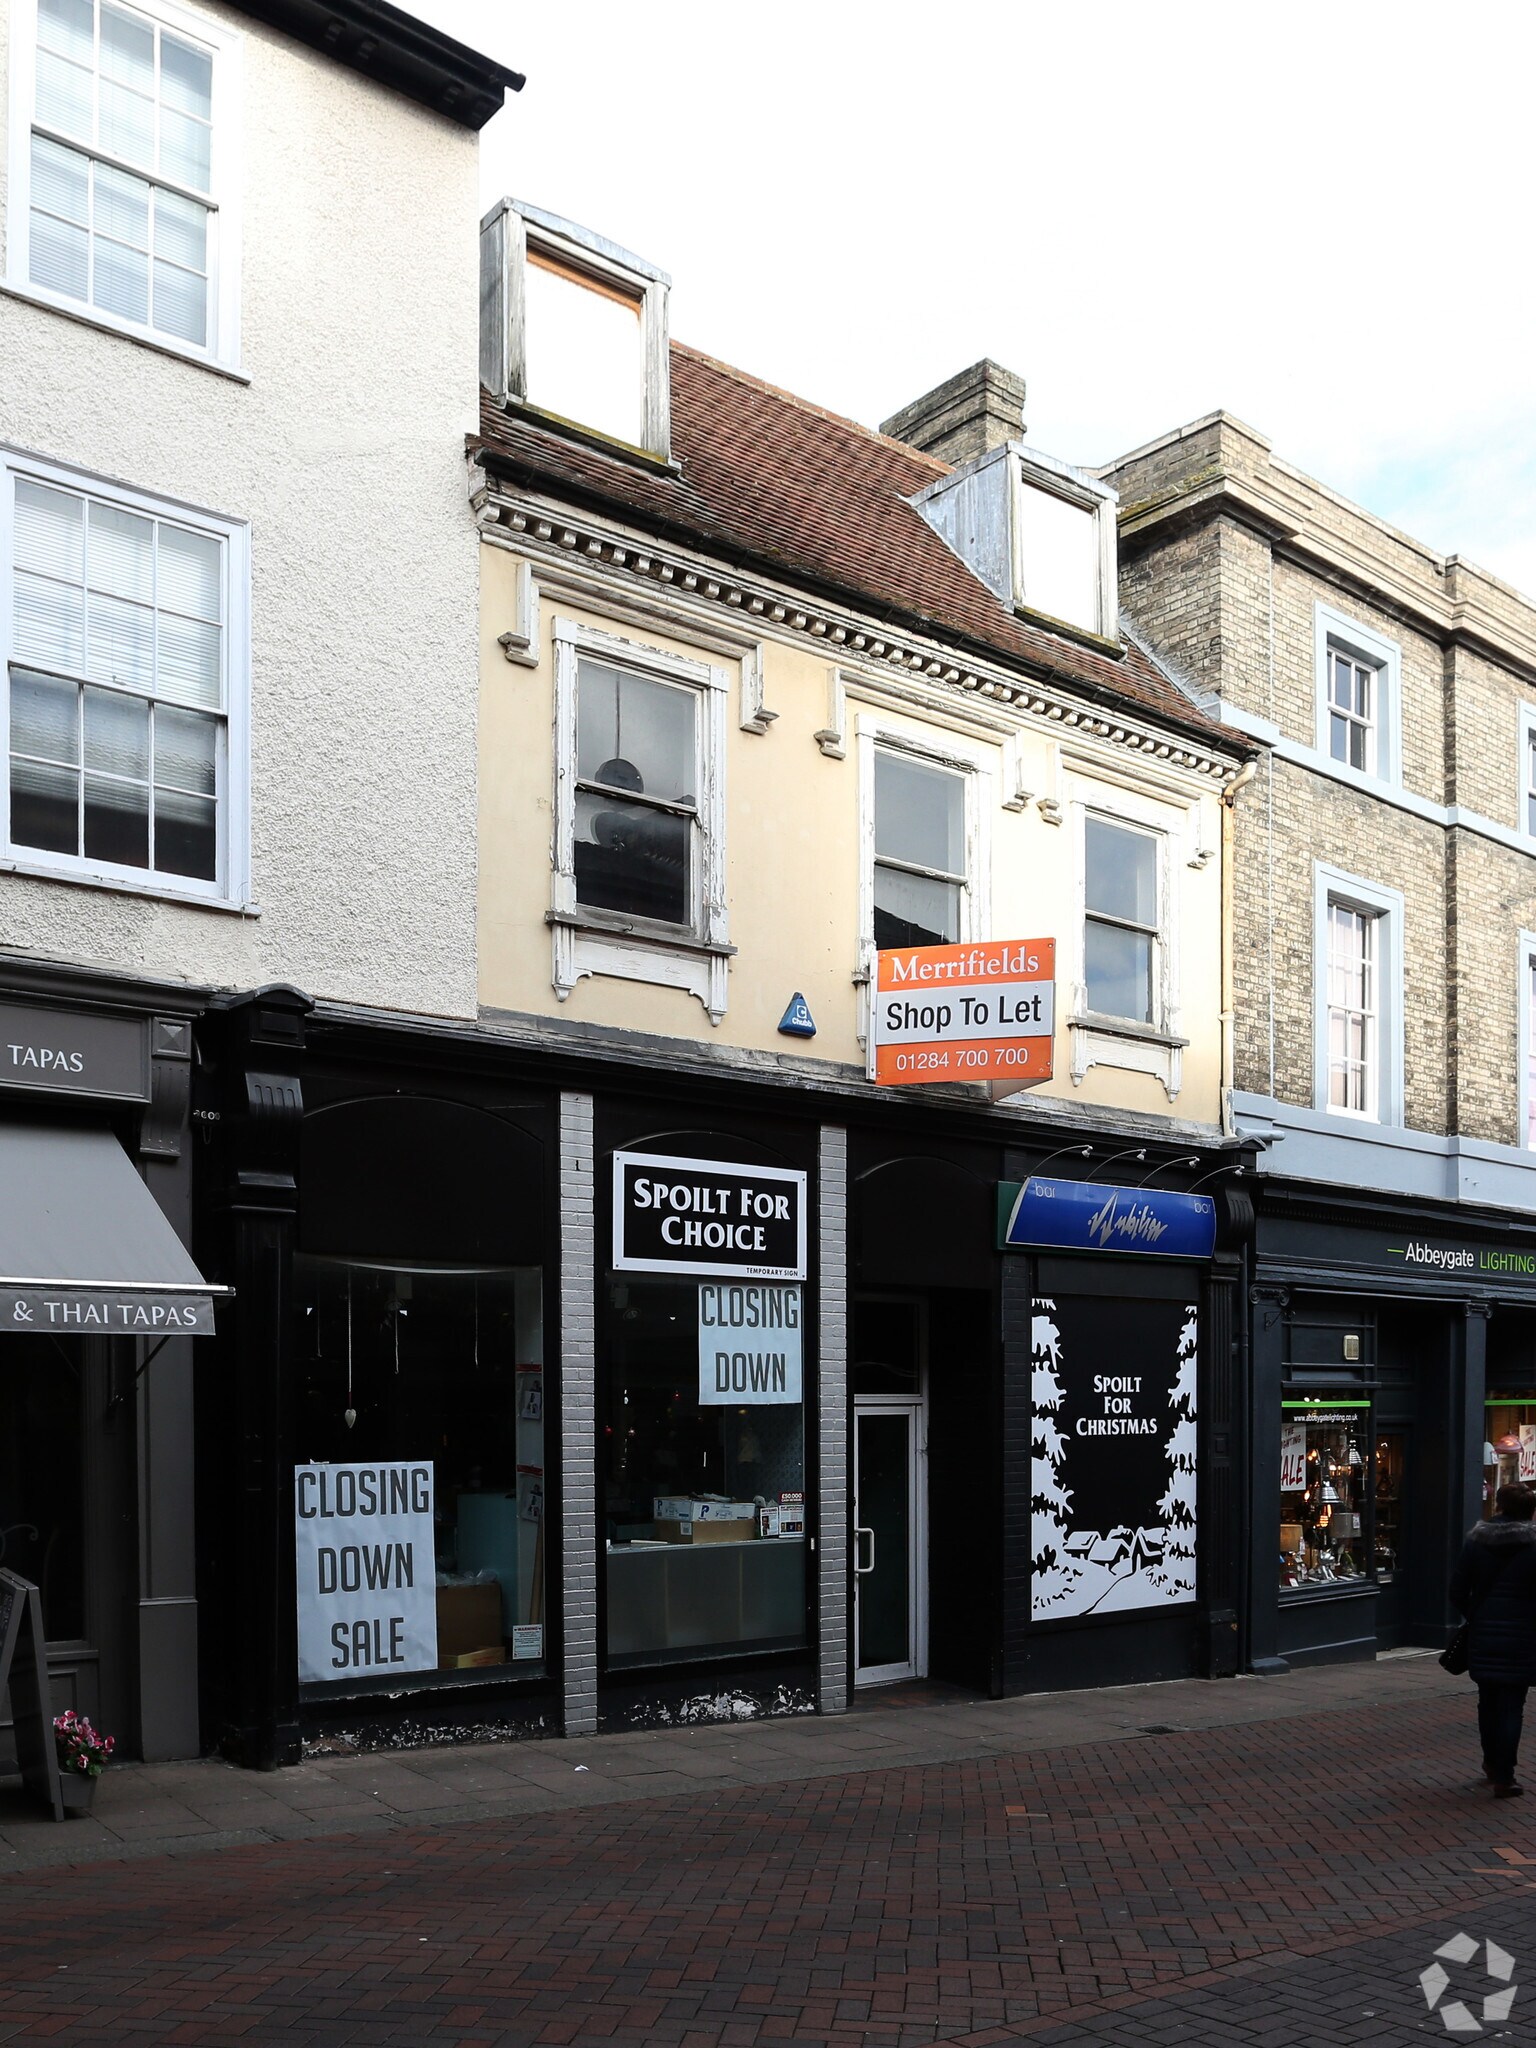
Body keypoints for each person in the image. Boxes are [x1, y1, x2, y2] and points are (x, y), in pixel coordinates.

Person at [1449, 1483, 1536, 1797]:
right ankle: (1505, 1776)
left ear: (1499, 1506)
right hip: (1523, 1637)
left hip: (1484, 1635)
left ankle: (1490, 1762)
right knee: (1513, 1707)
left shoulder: (1476, 1542)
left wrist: (1477, 1615)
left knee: (1488, 1702)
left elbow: (1456, 1590)